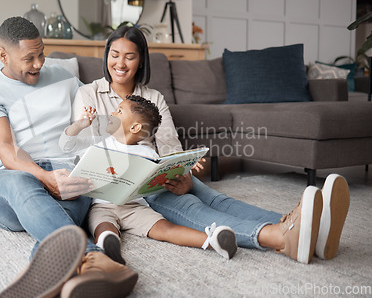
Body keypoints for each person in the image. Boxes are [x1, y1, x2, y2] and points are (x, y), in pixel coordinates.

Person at [69, 25, 351, 265]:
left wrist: (180, 171)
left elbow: (169, 145)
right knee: (191, 207)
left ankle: (297, 224)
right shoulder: (88, 94)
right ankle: (276, 236)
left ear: (141, 60)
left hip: (153, 174)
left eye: (129, 56)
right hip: (121, 185)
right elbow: (83, 149)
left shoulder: (154, 97)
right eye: (114, 55)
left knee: (217, 198)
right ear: (106, 56)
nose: (120, 63)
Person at [0, 17, 138, 298]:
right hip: (15, 184)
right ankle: (96, 259)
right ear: (3, 55)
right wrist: (46, 177)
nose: (39, 63)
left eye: (42, 53)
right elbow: (8, 153)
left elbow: (96, 114)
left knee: (61, 225)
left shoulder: (65, 77)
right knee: (19, 181)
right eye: (29, 58)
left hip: (68, 174)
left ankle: (68, 278)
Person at [61, 95, 238, 263]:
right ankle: (108, 243)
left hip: (135, 206)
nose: (112, 113)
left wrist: (185, 168)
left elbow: (159, 179)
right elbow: (66, 146)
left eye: (119, 111)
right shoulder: (99, 144)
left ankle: (212, 240)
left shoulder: (148, 153)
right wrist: (79, 125)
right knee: (103, 227)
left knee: (165, 229)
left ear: (135, 128)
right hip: (102, 205)